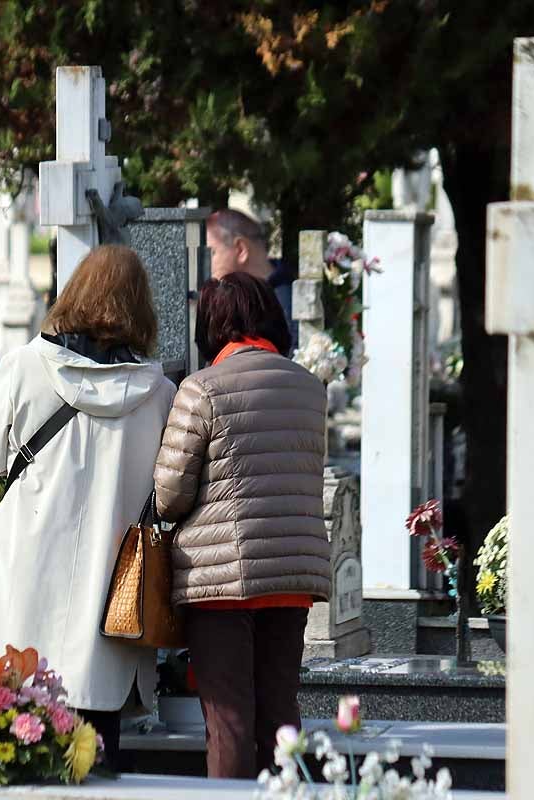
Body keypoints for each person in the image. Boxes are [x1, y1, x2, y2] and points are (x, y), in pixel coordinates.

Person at [0, 244, 176, 767]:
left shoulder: (25, 365)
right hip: (111, 587)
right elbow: (168, 491)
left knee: (12, 731)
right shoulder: (160, 393)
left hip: (25, 568)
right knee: (96, 753)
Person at [153, 272, 333, 779]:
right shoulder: (308, 388)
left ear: (211, 326)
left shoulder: (202, 389)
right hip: (292, 579)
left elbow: (170, 496)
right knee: (280, 716)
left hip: (220, 582)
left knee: (229, 722)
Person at [206, 209, 298, 349]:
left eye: (211, 253)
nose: (204, 264)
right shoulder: (229, 300)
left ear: (241, 250)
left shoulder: (290, 306)